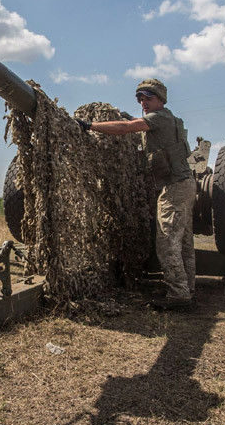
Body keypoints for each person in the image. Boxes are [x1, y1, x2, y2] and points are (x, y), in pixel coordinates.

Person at [76, 79, 195, 307]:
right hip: (183, 185)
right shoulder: (167, 119)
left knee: (167, 241)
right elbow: (137, 125)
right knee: (185, 243)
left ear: (161, 99)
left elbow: (125, 129)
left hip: (175, 186)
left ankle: (179, 295)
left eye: (148, 98)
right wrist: (131, 119)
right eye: (140, 99)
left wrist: (89, 126)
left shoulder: (160, 117)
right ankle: (187, 288)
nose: (143, 102)